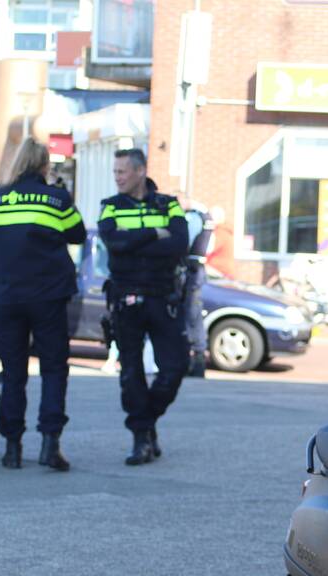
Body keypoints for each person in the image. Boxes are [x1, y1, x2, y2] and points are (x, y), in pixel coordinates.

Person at [0, 138, 85, 471]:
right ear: (44, 165)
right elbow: (77, 234)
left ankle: (12, 448)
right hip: (48, 296)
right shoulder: (55, 199)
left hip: (8, 296)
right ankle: (50, 444)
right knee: (53, 370)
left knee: (14, 372)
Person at [99, 148, 189, 466]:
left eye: (122, 171)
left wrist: (134, 241)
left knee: (175, 367)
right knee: (132, 373)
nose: (118, 178)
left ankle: (146, 422)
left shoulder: (169, 204)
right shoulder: (110, 206)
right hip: (125, 299)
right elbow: (115, 245)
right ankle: (141, 439)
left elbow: (179, 244)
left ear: (140, 171)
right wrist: (153, 233)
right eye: (115, 172)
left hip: (163, 298)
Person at [184, 207, 212, 377]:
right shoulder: (200, 218)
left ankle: (197, 360)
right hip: (195, 271)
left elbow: (184, 243)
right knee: (192, 315)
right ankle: (196, 359)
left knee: (191, 314)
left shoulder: (192, 219)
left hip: (191, 273)